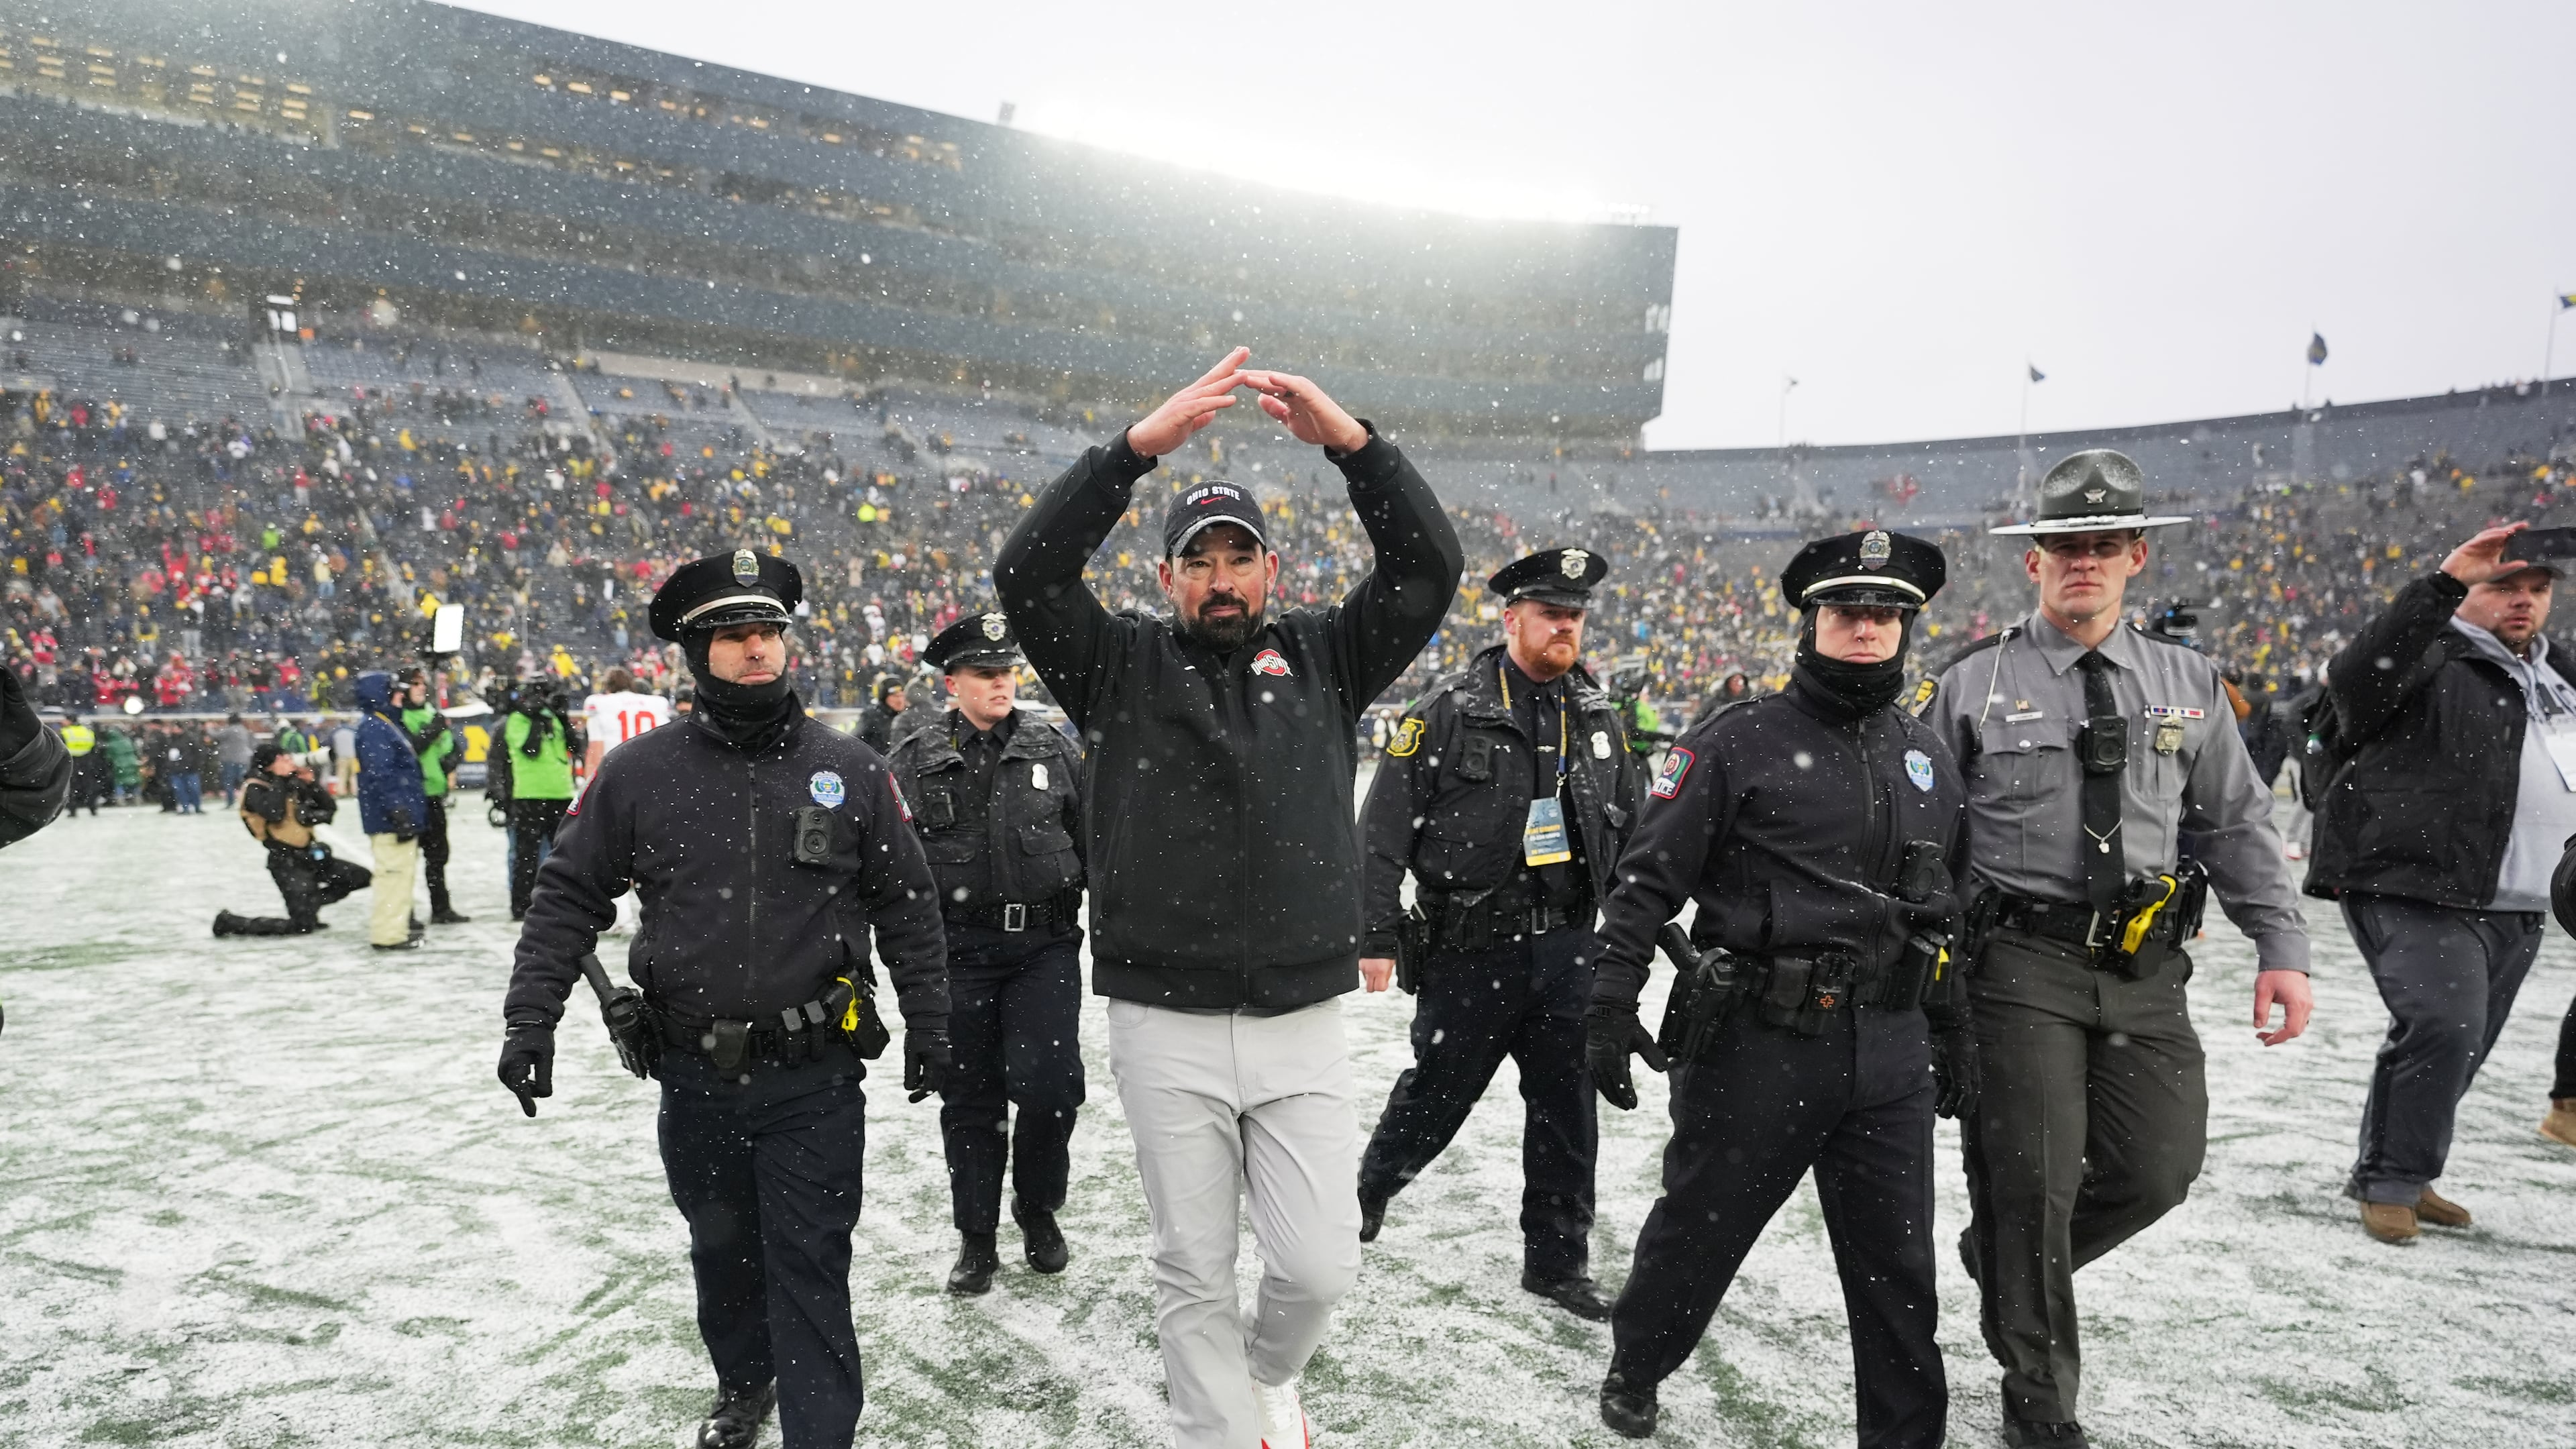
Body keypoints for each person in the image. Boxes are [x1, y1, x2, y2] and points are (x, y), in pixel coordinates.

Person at [996, 348, 1462, 1449]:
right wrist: (1130, 457)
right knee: (1193, 1269)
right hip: (1165, 1023)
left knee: (1318, 1261)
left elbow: (1426, 573)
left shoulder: (1326, 656)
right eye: (1196, 560)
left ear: (1269, 571)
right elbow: (1028, 576)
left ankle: (1265, 1376)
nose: (1218, 578)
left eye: (1236, 558)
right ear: (1166, 579)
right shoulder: (1115, 666)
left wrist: (1356, 448)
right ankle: (1220, 1428)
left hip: (1303, 1018)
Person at [500, 548, 950, 1449]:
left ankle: (819, 1433)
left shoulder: (851, 767)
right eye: (734, 636)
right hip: (694, 1074)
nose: (756, 649)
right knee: (722, 1254)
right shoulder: (639, 773)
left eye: (768, 632)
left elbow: (907, 903)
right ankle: (745, 1383)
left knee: (812, 1260)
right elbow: (568, 895)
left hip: (814, 1076)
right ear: (694, 654)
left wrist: (932, 1022)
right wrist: (530, 1018)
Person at [1923, 450, 2312, 1448]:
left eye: (2103, 546)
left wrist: (2282, 945)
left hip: (2143, 969)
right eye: (2064, 547)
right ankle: (2040, 1404)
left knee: (2157, 1170)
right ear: (2034, 564)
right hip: (2016, 965)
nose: (2082, 563)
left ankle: (2003, 1257)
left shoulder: (2189, 684)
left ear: (2137, 556)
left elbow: (2234, 826)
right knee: (2036, 1183)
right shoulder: (1972, 685)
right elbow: (1926, 837)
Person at [1586, 530, 1968, 1443]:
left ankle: (1907, 1435)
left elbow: (1946, 908)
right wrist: (1608, 998)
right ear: (1813, 619)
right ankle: (1639, 1362)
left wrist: (1953, 1030)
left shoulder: (1928, 758)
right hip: (1759, 1039)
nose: (1868, 628)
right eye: (1850, 611)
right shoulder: (1736, 741)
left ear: (1908, 626)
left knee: (1899, 1270)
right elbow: (1646, 879)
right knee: (1699, 1233)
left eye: (1888, 614)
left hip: (1887, 1045)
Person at [1354, 545, 1642, 1319]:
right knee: (1437, 1095)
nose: (1566, 628)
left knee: (1566, 1112)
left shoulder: (1599, 716)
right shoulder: (1447, 711)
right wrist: (1376, 935)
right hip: (1470, 950)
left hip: (1567, 950)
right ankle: (1368, 1192)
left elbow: (1634, 832)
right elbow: (1380, 835)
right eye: (1552, 614)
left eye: (1576, 616)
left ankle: (1556, 1262)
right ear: (1511, 618)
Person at [2302, 522, 2572, 1241]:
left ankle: (2408, 1172)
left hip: (2519, 895)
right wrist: (2444, 583)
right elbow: (2359, 672)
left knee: (2469, 1037)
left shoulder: (2557, 675)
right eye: (2504, 587)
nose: (2523, 602)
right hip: (2413, 881)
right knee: (2444, 1023)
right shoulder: (2428, 653)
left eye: (2537, 590)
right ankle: (2389, 1180)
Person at [888, 610, 1087, 1295]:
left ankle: (1037, 1210)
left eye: (1007, 672)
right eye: (985, 673)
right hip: (960, 952)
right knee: (970, 1099)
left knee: (1051, 1088)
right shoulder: (913, 755)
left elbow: (1092, 846)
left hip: (1044, 947)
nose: (1001, 684)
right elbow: (890, 866)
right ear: (954, 682)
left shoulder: (1053, 748)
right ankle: (976, 1239)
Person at [213, 744, 370, 936]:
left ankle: (310, 902)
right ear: (270, 764)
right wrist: (280, 779)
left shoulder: (291, 783)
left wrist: (311, 784)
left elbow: (329, 808)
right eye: (284, 759)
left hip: (310, 855)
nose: (290, 763)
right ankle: (230, 922)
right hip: (285, 862)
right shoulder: (254, 787)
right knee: (302, 927)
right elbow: (274, 813)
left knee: (360, 877)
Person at [353, 670, 429, 953]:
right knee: (393, 876)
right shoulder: (375, 727)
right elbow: (381, 774)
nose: (400, 696)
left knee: (400, 876)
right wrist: (398, 810)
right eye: (394, 691)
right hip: (388, 819)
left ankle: (396, 928)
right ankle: (388, 934)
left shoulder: (383, 724)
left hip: (391, 815)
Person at [398, 666, 469, 926]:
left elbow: (448, 747)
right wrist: (431, 731)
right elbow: (411, 750)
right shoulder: (399, 716)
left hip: (434, 796)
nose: (422, 688)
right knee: (405, 860)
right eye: (415, 684)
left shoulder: (430, 713)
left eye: (422, 684)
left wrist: (452, 758)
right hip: (412, 796)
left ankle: (441, 908)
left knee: (438, 856)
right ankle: (404, 913)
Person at [503, 680, 578, 921]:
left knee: (565, 854)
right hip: (530, 795)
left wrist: (563, 719)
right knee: (527, 855)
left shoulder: (553, 718)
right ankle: (521, 905)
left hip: (561, 793)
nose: (542, 700)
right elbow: (530, 750)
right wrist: (535, 719)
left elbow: (576, 746)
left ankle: (563, 901)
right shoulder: (516, 720)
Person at [582, 665, 674, 777]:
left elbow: (596, 752)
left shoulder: (600, 703)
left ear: (608, 686)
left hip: (618, 770)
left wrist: (589, 788)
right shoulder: (657, 703)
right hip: (654, 769)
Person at [58, 715, 104, 816]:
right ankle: (93, 809)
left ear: (69, 721)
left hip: (72, 762)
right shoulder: (87, 732)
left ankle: (73, 810)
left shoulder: (65, 733)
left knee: (72, 787)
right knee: (89, 786)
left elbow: (60, 748)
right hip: (87, 761)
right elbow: (94, 746)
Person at [857, 676, 907, 754]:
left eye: (902, 696)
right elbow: (856, 740)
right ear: (885, 698)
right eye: (896, 696)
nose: (900, 700)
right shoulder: (871, 716)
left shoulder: (908, 716)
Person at [215, 711, 254, 806]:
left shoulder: (230, 730)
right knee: (244, 782)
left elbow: (217, 736)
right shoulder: (244, 730)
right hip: (244, 759)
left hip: (230, 759)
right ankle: (248, 800)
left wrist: (209, 729)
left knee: (229, 782)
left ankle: (230, 801)